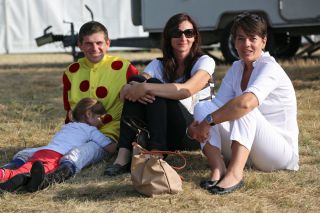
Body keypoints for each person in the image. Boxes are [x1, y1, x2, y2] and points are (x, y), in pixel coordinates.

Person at [1, 21, 139, 181]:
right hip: (77, 132)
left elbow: (137, 104)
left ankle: (52, 177)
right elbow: (69, 110)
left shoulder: (124, 67)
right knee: (25, 153)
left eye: (99, 43)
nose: (94, 48)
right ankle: (8, 170)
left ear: (107, 43)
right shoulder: (71, 71)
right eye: (88, 43)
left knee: (80, 153)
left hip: (107, 134)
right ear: (80, 45)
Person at [187, 12, 299, 195]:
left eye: (252, 38)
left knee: (243, 107)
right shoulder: (237, 67)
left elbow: (244, 105)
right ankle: (218, 168)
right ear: (234, 42)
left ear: (263, 41)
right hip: (250, 148)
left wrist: (207, 121)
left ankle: (235, 173)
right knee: (203, 106)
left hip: (279, 154)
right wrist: (197, 126)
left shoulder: (270, 68)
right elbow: (218, 106)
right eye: (240, 39)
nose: (246, 44)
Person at [104, 13, 215, 176]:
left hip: (192, 132)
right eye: (177, 33)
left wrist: (147, 88)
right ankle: (123, 155)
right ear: (168, 38)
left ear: (195, 37)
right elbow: (124, 94)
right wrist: (131, 88)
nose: (183, 37)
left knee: (151, 85)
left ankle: (156, 153)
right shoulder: (158, 64)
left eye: (189, 33)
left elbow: (187, 90)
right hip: (165, 129)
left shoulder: (204, 61)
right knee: (137, 79)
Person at [0, 98, 111, 192]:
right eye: (100, 118)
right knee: (43, 172)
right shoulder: (91, 130)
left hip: (42, 152)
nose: (102, 122)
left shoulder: (68, 126)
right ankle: (24, 179)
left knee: (24, 168)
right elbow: (109, 147)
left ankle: (4, 173)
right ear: (89, 114)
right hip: (55, 156)